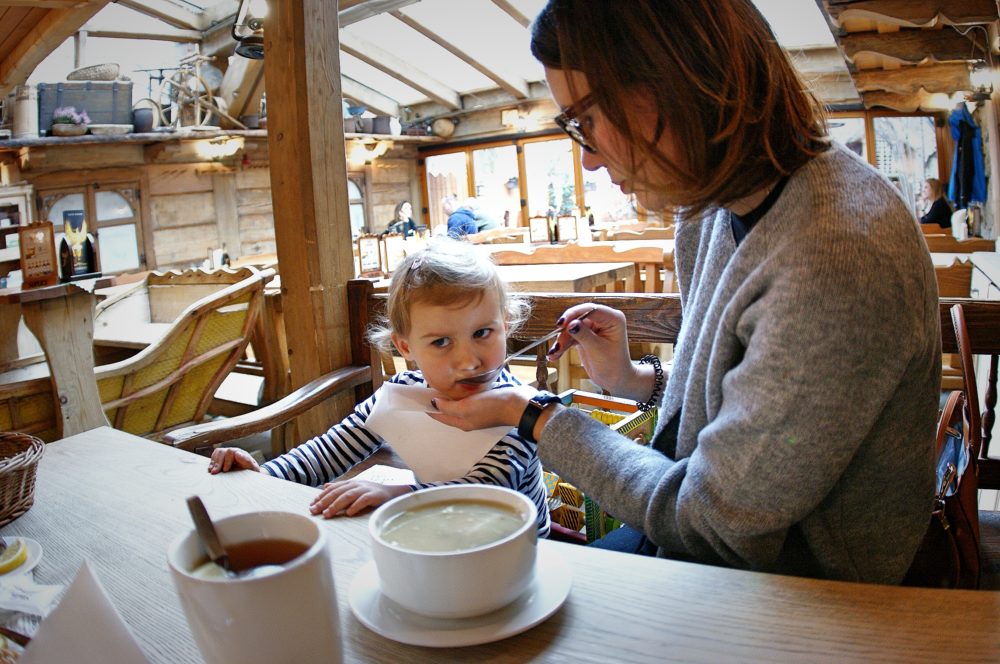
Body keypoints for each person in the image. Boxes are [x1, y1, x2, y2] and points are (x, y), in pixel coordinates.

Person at [429, 0, 939, 585]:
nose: (588, 159)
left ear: (680, 80)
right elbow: (750, 415)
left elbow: (716, 523)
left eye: (587, 121)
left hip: (797, 597)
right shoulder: (713, 209)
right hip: (695, 549)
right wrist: (633, 380)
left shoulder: (836, 257)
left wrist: (537, 417)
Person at [208, 238, 551, 536]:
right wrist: (265, 474)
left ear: (504, 326)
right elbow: (329, 451)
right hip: (438, 528)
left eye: (482, 333)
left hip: (520, 545)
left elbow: (485, 492)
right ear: (405, 348)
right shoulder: (403, 393)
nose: (468, 361)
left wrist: (395, 495)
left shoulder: (518, 409)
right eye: (442, 342)